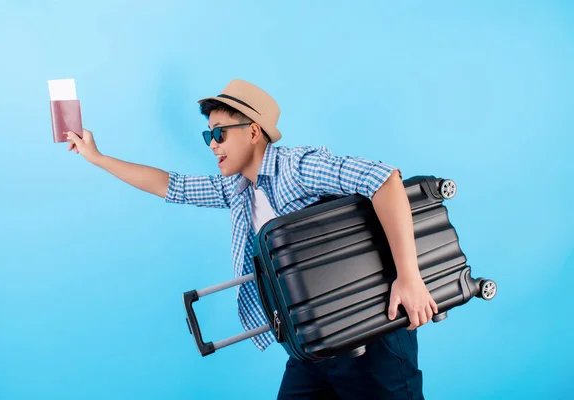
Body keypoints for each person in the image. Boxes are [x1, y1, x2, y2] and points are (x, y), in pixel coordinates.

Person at [65, 79, 438, 399]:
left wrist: (409, 278)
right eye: (207, 135)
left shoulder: (297, 166)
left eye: (219, 133)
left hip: (371, 335)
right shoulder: (238, 190)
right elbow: (170, 185)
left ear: (254, 131)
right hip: (313, 344)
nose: (211, 144)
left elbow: (385, 180)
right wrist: (97, 158)